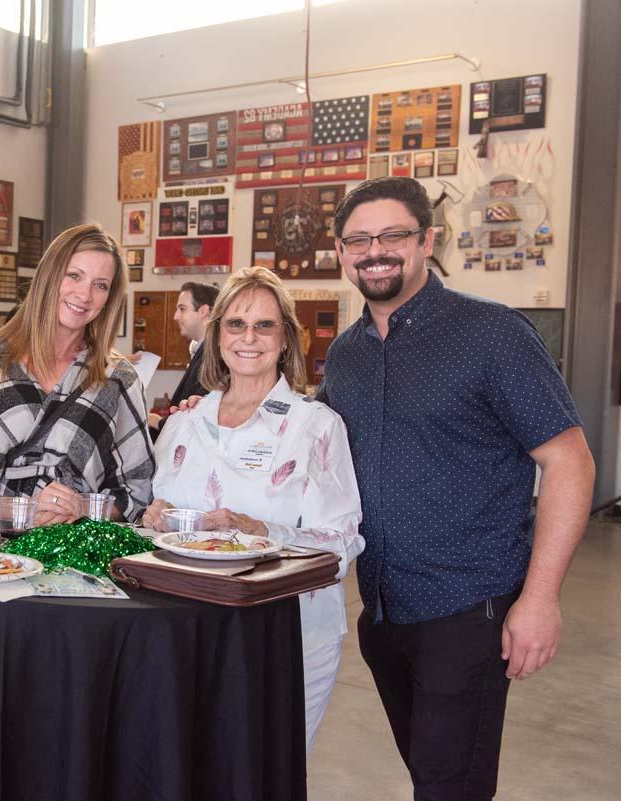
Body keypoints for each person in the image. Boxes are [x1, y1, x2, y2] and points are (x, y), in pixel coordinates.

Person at [319, 176, 594, 800]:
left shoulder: (492, 334)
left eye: (392, 235)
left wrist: (542, 599)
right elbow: (311, 448)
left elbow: (570, 463)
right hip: (384, 612)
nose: (375, 251)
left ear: (427, 240)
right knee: (432, 776)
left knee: (451, 788)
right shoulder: (345, 354)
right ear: (340, 252)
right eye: (358, 240)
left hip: (468, 608)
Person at [141, 266, 364, 752]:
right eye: (236, 324)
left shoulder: (317, 427)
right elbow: (156, 519)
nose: (249, 338)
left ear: (286, 337)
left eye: (264, 325)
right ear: (217, 333)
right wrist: (151, 517)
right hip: (183, 629)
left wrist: (262, 530)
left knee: (262, 771)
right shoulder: (184, 424)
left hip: (284, 634)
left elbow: (343, 541)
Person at [0, 222, 154, 524]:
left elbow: (137, 493)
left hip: (78, 557)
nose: (85, 294)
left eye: (100, 285)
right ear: (50, 276)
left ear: (109, 298)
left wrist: (80, 506)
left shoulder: (117, 379)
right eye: (74, 276)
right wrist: (23, 509)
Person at [148, 281, 219, 435]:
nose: (175, 316)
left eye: (182, 309)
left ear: (203, 311)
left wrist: (157, 421)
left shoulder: (215, 354)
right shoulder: (202, 349)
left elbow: (203, 411)